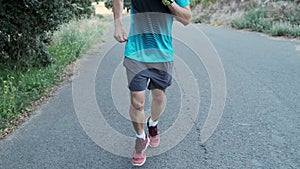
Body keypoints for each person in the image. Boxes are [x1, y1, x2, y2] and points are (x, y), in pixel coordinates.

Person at [113, 0, 191, 166]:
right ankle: (141, 138)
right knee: (136, 102)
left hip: (162, 54)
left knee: (159, 96)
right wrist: (118, 24)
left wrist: (169, 2)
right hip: (136, 52)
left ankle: (153, 124)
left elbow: (186, 18)